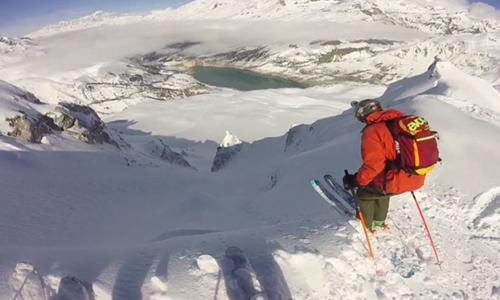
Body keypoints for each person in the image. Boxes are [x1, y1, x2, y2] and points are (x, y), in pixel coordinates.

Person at [342, 99, 426, 234]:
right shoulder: (401, 123)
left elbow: (373, 164)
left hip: (395, 181)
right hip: (415, 177)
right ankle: (380, 221)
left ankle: (366, 227)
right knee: (381, 187)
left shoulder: (373, 131)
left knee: (364, 193)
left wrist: (358, 181)